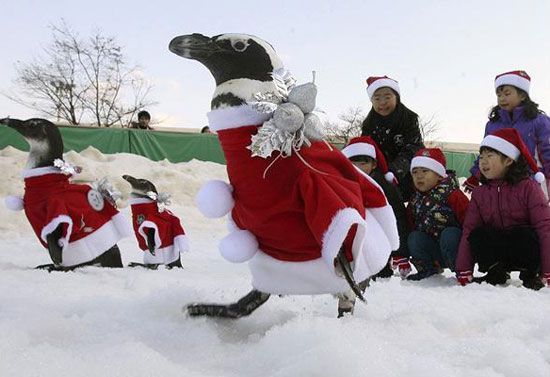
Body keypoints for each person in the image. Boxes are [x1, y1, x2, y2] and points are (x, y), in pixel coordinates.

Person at [456, 128, 550, 290]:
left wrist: (548, 270)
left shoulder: (528, 188)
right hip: (497, 250)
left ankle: (529, 274)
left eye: (490, 156)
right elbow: (469, 228)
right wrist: (463, 269)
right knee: (478, 233)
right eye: (481, 157)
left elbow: (544, 227)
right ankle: (495, 272)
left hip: (522, 249)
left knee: (526, 234)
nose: (483, 161)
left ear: (508, 160)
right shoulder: (480, 193)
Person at [463, 70, 550, 198]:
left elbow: (547, 151)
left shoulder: (539, 121)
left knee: (536, 216)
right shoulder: (492, 125)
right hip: (498, 184)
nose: (502, 98)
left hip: (531, 183)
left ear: (523, 96)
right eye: (498, 95)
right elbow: (485, 152)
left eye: (507, 94)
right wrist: (476, 175)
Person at [342, 136, 411, 278]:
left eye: (362, 164)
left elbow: (398, 218)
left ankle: (381, 269)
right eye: (353, 164)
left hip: (378, 239)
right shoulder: (341, 184)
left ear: (373, 165)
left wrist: (400, 252)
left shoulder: (383, 187)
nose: (358, 169)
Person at [406, 148, 469, 281]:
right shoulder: (415, 199)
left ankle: (461, 270)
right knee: (414, 237)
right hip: (432, 248)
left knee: (450, 234)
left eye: (425, 171)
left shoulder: (453, 194)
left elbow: (468, 221)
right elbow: (410, 224)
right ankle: (427, 269)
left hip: (454, 248)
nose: (419, 176)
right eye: (415, 172)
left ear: (439, 175)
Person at [361, 75, 425, 201]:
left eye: (387, 97)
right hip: (379, 174)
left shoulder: (408, 118)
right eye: (377, 98)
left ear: (397, 97)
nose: (382, 102)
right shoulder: (369, 124)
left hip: (407, 173)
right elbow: (366, 149)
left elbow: (413, 147)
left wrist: (395, 170)